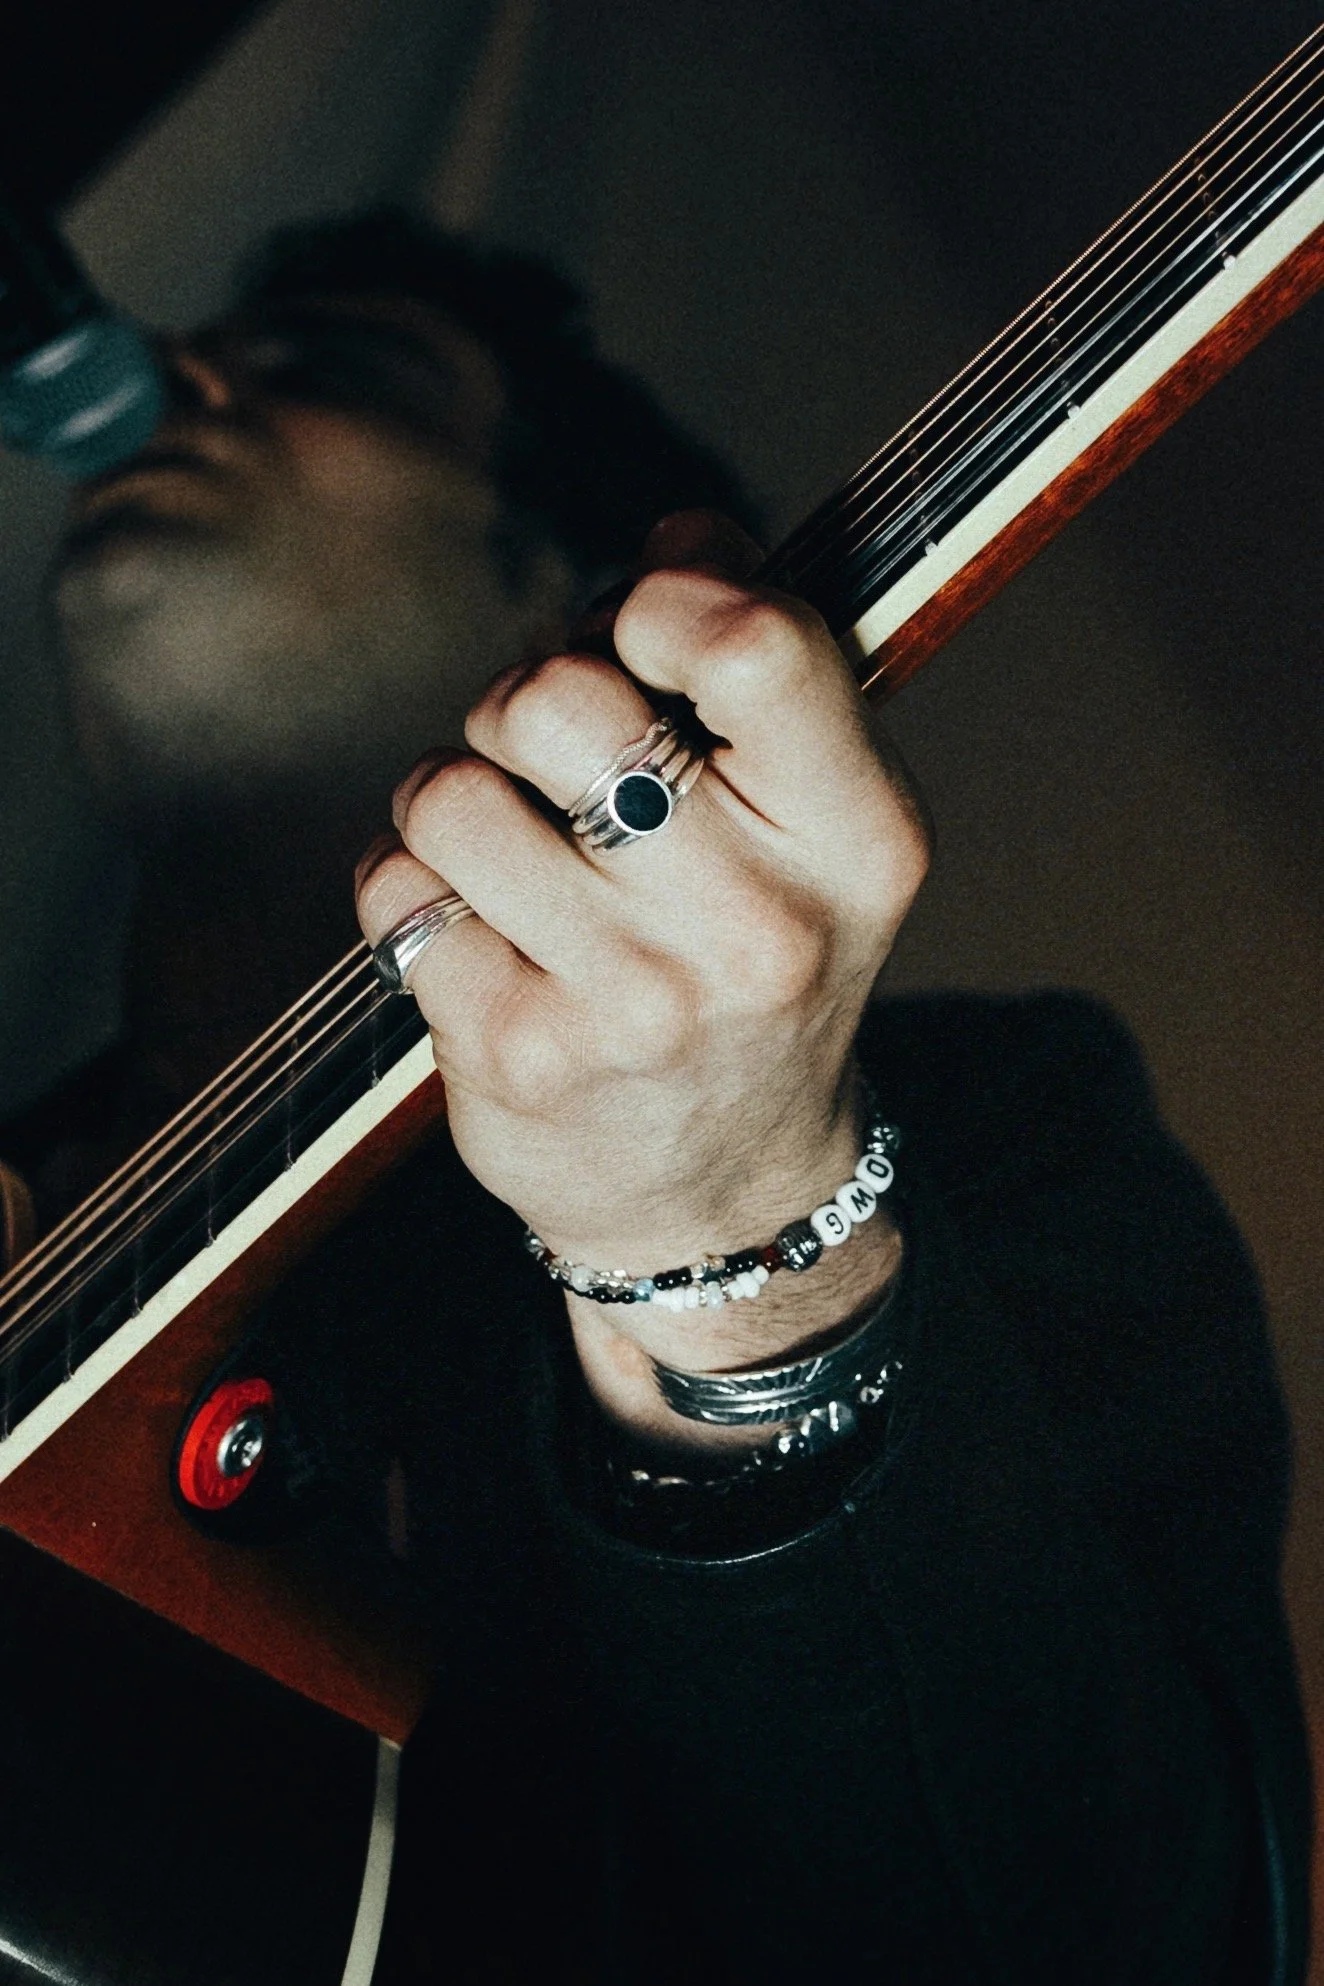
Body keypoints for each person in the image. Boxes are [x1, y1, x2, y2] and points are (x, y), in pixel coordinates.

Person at [6, 207, 1313, 1982]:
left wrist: (734, 1241)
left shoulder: (999, 1122)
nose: (183, 378)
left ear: (563, 612)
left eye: (339, 372)